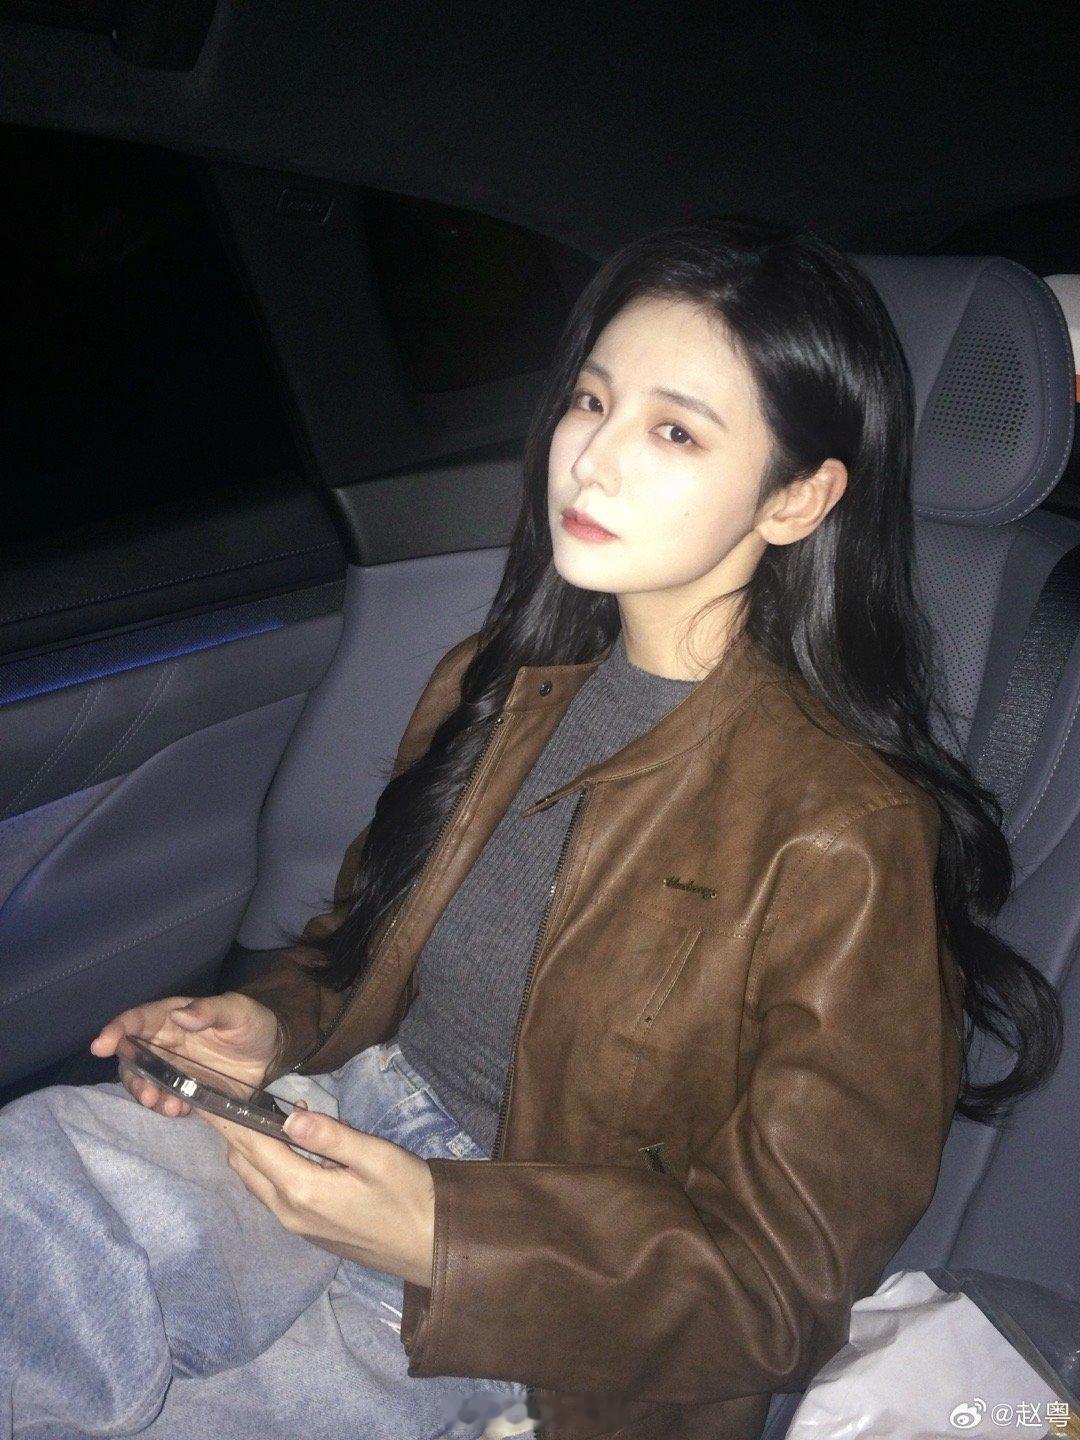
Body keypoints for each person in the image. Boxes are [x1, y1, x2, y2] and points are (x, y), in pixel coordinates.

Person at [0, 214, 1063, 1440]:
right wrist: (274, 1020)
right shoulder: (493, 685)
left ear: (796, 497)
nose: (591, 461)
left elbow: (778, 1285)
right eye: (590, 402)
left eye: (674, 430)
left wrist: (446, 1237)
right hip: (342, 1114)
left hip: (544, 1292)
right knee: (34, 1178)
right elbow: (367, 947)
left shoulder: (849, 834)